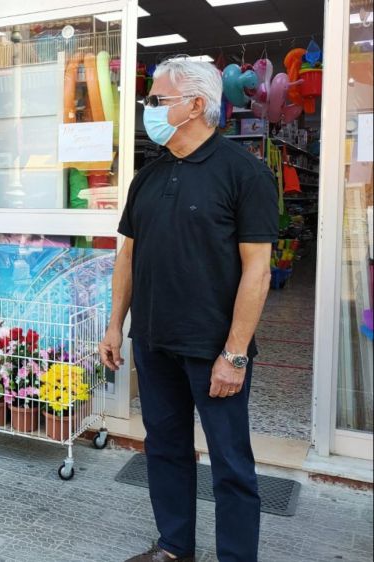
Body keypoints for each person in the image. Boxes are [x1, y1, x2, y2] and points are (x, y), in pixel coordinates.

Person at [99, 57, 277, 562]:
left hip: (213, 350)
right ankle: (175, 547)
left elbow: (257, 272)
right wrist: (115, 326)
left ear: (196, 105)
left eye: (157, 100)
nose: (148, 109)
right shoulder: (148, 178)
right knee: (165, 449)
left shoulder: (245, 174)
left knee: (230, 464)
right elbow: (128, 255)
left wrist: (236, 353)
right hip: (153, 343)